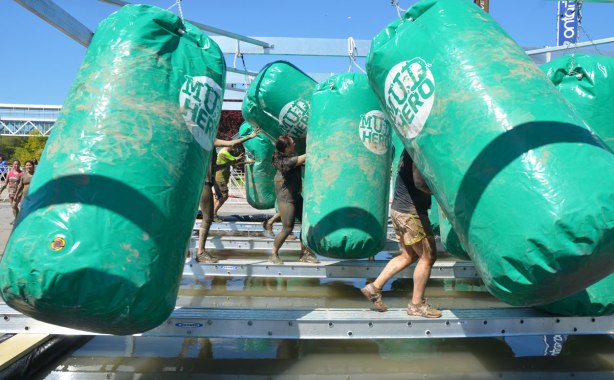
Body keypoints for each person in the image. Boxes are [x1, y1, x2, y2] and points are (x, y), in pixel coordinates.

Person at [361, 149, 442, 318]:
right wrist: (443, 193)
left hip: (399, 209)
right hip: (411, 212)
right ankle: (416, 305)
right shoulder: (419, 147)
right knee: (428, 256)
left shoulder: (409, 147)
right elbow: (419, 182)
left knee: (408, 255)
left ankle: (374, 287)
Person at [196, 128, 260, 263]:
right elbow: (231, 143)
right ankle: (200, 252)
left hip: (201, 182)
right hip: (204, 183)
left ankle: (197, 251)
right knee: (207, 218)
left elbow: (221, 164)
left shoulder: (198, 143)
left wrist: (239, 161)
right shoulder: (209, 140)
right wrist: (250, 136)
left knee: (204, 217)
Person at [269, 135, 319, 264]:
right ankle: (273, 254)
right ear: (286, 147)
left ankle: (305, 254)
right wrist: (318, 146)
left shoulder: (288, 158)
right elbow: (305, 157)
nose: (295, 144)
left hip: (295, 196)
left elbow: (304, 161)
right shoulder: (285, 161)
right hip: (286, 199)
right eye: (292, 143)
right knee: (287, 228)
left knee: (306, 223)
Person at [212, 145, 254, 221]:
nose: (233, 148)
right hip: (220, 178)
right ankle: (213, 214)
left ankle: (211, 214)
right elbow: (235, 160)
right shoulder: (224, 153)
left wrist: (246, 162)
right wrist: (240, 158)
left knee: (218, 197)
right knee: (224, 196)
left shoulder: (223, 153)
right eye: (232, 146)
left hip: (217, 178)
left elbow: (234, 163)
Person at [0, 160, 23, 224]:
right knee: (13, 207)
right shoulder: (9, 173)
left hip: (18, 193)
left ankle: (17, 220)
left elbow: (23, 184)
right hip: (10, 192)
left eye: (18, 164)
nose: (16, 165)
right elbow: (6, 182)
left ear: (20, 165)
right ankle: (17, 219)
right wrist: (1, 190)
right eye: (15, 164)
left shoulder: (22, 173)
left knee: (14, 205)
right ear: (12, 165)